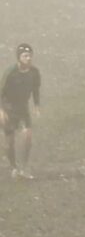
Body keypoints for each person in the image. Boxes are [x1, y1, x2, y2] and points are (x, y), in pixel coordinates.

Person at [1, 44, 41, 180]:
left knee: (28, 136)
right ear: (19, 58)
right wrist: (1, 110)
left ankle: (23, 167)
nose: (28, 58)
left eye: (30, 56)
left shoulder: (34, 72)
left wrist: (36, 106)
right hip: (9, 109)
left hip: (23, 109)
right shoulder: (10, 72)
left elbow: (35, 89)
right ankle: (13, 167)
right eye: (25, 56)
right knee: (9, 141)